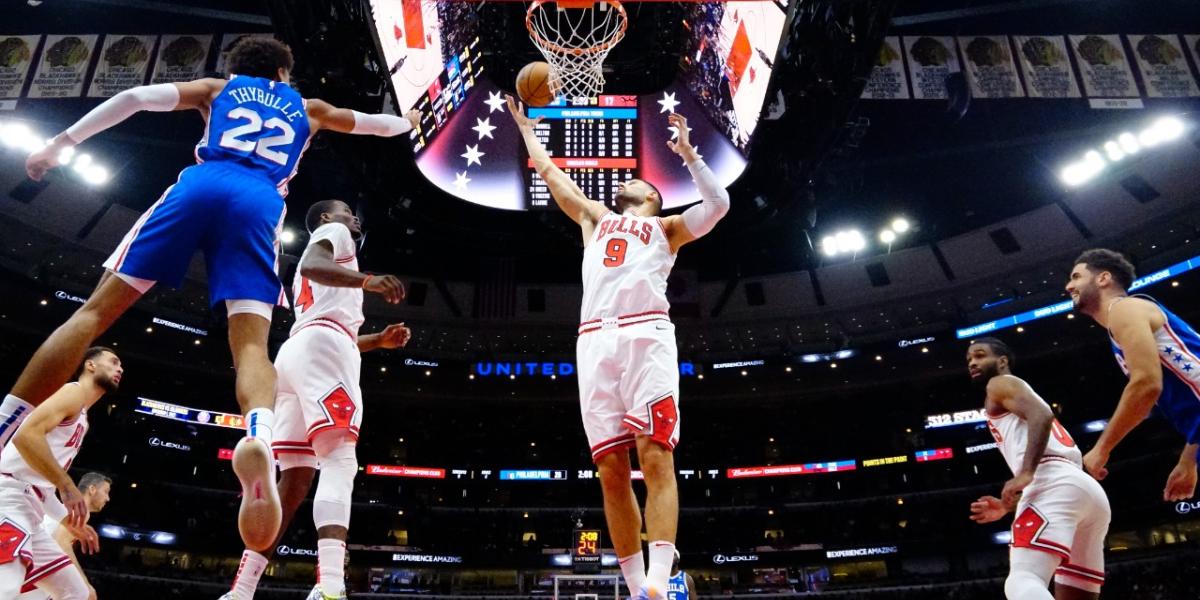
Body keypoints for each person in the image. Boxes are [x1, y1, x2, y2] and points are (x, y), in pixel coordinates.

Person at [7, 36, 420, 552]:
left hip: (203, 183)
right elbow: (380, 126)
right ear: (284, 73)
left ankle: (8, 422)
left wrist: (61, 143)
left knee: (93, 315)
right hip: (260, 202)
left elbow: (133, 99)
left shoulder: (216, 89)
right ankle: (259, 435)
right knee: (249, 345)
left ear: (240, 68)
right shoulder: (308, 108)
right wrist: (416, 117)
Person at [506, 96, 730, 600]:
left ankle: (659, 578)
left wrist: (691, 156)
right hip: (592, 340)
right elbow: (548, 171)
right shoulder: (593, 216)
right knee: (610, 471)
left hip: (645, 334)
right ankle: (636, 591)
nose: (624, 180)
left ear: (652, 195)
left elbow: (718, 208)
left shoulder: (666, 229)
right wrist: (525, 127)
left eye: (637, 180)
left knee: (655, 458)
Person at [222, 199, 410, 600]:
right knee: (340, 460)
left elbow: (325, 319)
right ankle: (329, 586)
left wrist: (376, 340)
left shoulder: (330, 268)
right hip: (326, 349)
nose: (353, 217)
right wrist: (368, 281)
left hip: (296, 353)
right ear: (326, 219)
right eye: (345, 210)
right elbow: (310, 263)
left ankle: (241, 591)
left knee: (293, 484)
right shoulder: (335, 236)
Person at [966, 338, 1110, 599]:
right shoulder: (1013, 395)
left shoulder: (998, 383)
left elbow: (1042, 415)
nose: (973, 362)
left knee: (1023, 579)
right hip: (1085, 490)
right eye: (969, 360)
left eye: (979, 355)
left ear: (1002, 361)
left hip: (1052, 481)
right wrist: (1008, 505)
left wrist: (1026, 473)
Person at [1067, 248, 1200, 502]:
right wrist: (1188, 460)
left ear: (1103, 278)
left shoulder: (1124, 309)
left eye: (1076, 277)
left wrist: (1101, 449)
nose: (1068, 285)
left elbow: (1146, 385)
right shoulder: (1124, 321)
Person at [0, 348, 121, 599]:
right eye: (113, 362)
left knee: (75, 593)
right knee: (6, 587)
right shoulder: (73, 392)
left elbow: (42, 489)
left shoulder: (83, 420)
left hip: (30, 508)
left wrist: (70, 523)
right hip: (8, 497)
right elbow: (26, 436)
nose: (119, 369)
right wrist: (66, 484)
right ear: (90, 365)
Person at [19, 472, 113, 600]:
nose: (108, 498)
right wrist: (85, 584)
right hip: (33, 563)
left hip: (29, 561)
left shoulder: (70, 509)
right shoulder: (80, 512)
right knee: (81, 593)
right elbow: (61, 544)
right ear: (92, 489)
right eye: (106, 491)